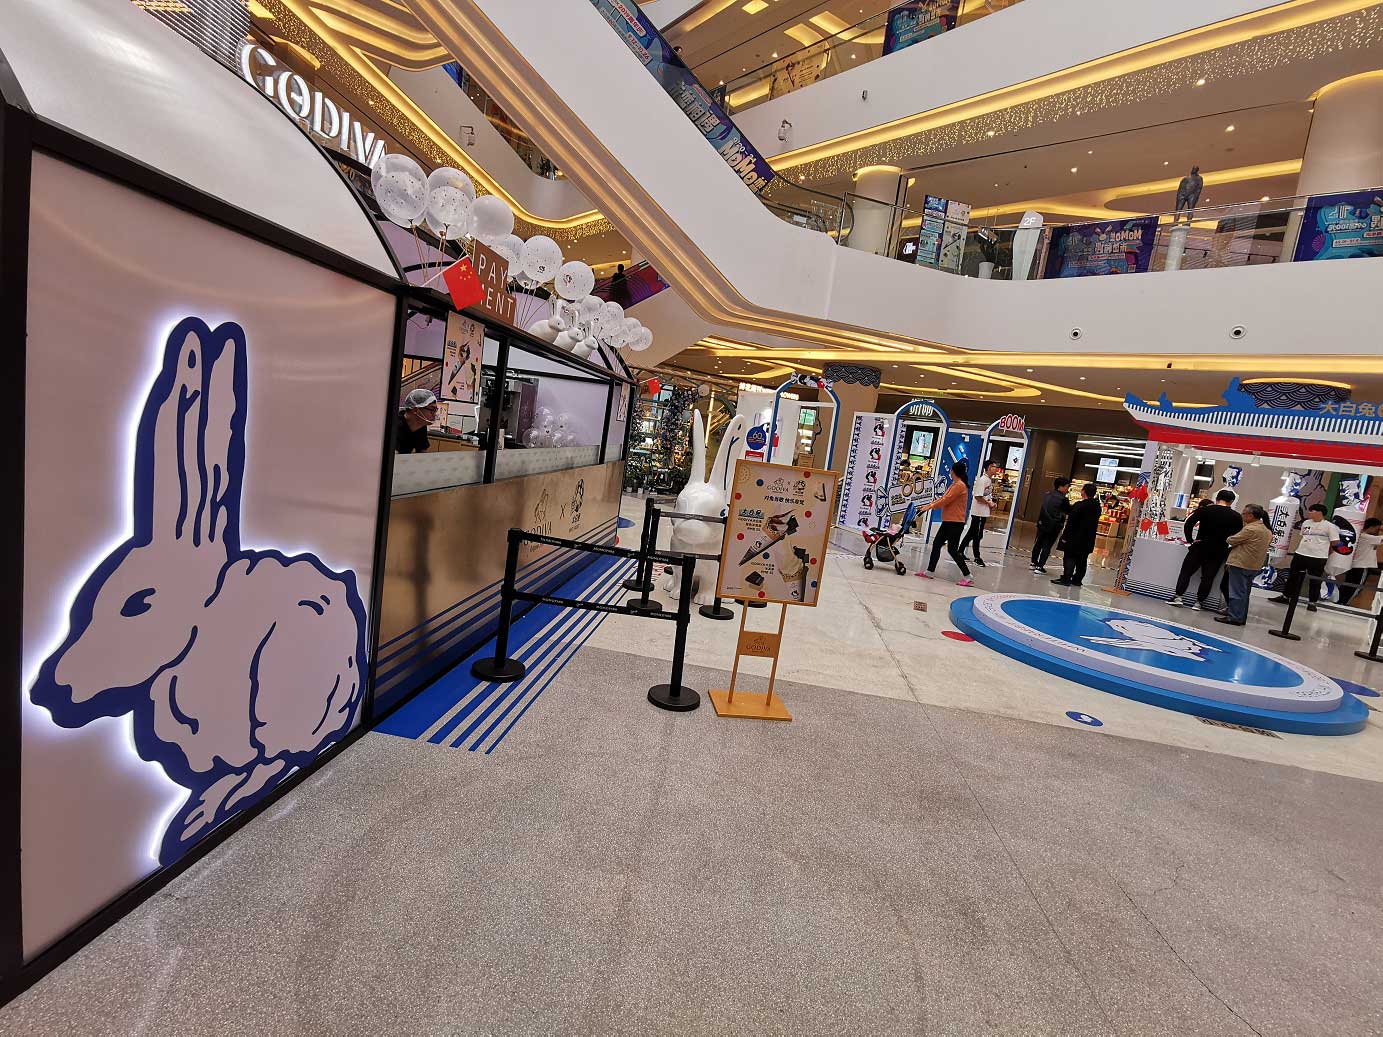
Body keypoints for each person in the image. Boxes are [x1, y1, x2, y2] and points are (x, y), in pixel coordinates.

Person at [1168, 489, 1242, 611]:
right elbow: (1239, 535)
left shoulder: (1205, 510)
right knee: (1208, 577)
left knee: (1186, 572)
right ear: (1231, 502)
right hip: (1219, 550)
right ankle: (1199, 602)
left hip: (1200, 546)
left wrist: (1191, 540)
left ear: (1217, 498)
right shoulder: (1236, 516)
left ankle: (1178, 597)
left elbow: (1189, 523)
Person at [1268, 503, 1339, 611]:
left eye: (1312, 511)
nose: (1309, 513)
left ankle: (1312, 602)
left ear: (1319, 513)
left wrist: (1326, 554)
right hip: (1300, 554)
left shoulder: (1329, 526)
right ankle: (1286, 596)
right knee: (1293, 576)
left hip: (1317, 557)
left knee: (1315, 580)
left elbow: (1335, 543)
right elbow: (1304, 537)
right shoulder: (1306, 523)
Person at [915, 461, 975, 587]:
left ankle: (968, 576)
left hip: (955, 523)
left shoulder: (959, 486)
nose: (950, 472)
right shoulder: (955, 485)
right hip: (949, 521)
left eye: (951, 470)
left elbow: (946, 500)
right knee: (937, 544)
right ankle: (930, 571)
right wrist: (928, 505)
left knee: (952, 550)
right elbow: (943, 499)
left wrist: (929, 507)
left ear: (954, 471)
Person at [1215, 504, 1272, 626]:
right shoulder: (1266, 530)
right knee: (1245, 593)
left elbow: (1231, 540)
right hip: (1254, 565)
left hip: (1241, 563)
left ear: (1251, 515)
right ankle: (1241, 616)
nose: (1242, 515)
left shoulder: (1250, 529)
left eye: (1244, 513)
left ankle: (1234, 617)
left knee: (1236, 592)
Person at [1052, 484, 1101, 587]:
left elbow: (1071, 522)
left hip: (1075, 537)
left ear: (1084, 492)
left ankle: (1066, 578)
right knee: (1082, 560)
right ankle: (1077, 580)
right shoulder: (1097, 507)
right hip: (1088, 538)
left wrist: (1065, 537)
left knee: (1070, 557)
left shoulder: (1080, 505)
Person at [959, 461, 1001, 567]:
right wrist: (989, 503)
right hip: (978, 512)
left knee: (972, 533)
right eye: (994, 467)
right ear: (989, 467)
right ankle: (977, 557)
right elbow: (978, 496)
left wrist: (991, 502)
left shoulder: (989, 480)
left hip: (983, 512)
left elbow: (986, 495)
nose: (996, 469)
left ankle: (960, 551)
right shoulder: (982, 480)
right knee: (977, 535)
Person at [1030, 477, 1071, 574]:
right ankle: (1040, 566)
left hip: (1042, 522)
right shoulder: (1063, 499)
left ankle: (1033, 563)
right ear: (1060, 486)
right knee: (1047, 546)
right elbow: (1068, 511)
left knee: (1038, 543)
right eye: (1066, 487)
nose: (1067, 489)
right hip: (1054, 525)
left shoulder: (1048, 494)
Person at [1339, 517, 1382, 607]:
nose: (1377, 531)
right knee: (1357, 586)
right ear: (1371, 527)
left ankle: (1341, 601)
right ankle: (1345, 603)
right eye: (1377, 528)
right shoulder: (1368, 538)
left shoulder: (1359, 535)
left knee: (1348, 584)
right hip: (1362, 566)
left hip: (1353, 565)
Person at [395, 388, 438, 454]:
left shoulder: (421, 425)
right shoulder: (394, 426)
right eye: (432, 410)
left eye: (435, 410)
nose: (434, 414)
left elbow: (422, 452)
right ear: (415, 410)